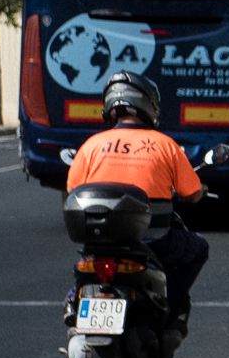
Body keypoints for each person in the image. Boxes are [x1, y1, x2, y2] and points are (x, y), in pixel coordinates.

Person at [66, 71, 210, 339]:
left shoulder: (92, 145)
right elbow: (191, 193)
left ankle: (73, 301)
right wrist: (199, 191)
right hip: (153, 240)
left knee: (85, 263)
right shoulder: (165, 145)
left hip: (99, 240)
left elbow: (73, 188)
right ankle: (171, 304)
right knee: (199, 248)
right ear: (148, 104)